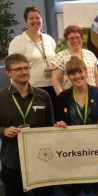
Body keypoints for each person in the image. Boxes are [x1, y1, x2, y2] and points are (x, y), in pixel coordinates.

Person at [0, 53, 54, 196]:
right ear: (8, 73)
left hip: (41, 159)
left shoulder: (43, 96)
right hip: (12, 160)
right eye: (18, 69)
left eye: (26, 68)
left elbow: (50, 126)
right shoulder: (1, 98)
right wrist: (4, 131)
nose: (24, 72)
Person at [55, 56, 98, 196]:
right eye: (73, 73)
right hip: (73, 150)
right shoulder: (63, 97)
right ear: (68, 76)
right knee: (72, 188)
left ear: (86, 72)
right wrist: (59, 125)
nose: (77, 76)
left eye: (80, 72)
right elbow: (58, 122)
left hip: (95, 148)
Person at [8, 6, 57, 113]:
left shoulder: (49, 39)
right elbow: (12, 66)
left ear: (41, 20)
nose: (35, 21)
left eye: (37, 18)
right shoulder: (18, 41)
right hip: (32, 89)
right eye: (31, 18)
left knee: (54, 120)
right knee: (37, 122)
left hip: (53, 86)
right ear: (26, 22)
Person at [52, 25, 98, 95]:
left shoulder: (90, 54)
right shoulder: (60, 57)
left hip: (92, 96)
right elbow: (56, 80)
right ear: (67, 40)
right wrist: (62, 98)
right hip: (71, 98)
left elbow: (97, 75)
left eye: (77, 37)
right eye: (71, 38)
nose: (75, 40)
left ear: (82, 38)